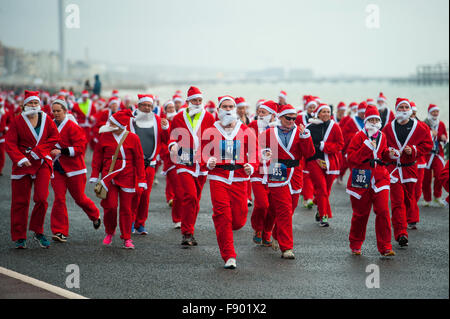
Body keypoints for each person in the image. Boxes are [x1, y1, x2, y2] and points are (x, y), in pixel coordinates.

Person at [203, 95, 258, 269]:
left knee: (239, 219)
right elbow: (201, 153)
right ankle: (229, 256)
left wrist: (251, 165)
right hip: (218, 177)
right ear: (219, 110)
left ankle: (228, 224)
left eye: (231, 106)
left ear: (235, 109)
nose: (228, 109)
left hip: (239, 178)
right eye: (224, 106)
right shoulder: (210, 130)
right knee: (223, 217)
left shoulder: (245, 130)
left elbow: (255, 153)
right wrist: (208, 160)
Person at [5, 90, 60, 249]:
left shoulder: (46, 119)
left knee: (42, 198)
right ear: (25, 105)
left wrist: (39, 152)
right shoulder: (17, 121)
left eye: (36, 102)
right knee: (20, 201)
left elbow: (54, 137)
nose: (34, 105)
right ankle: (19, 236)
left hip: (42, 162)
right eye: (31, 103)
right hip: (23, 164)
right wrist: (20, 158)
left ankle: (38, 231)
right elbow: (10, 143)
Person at [261, 104, 315, 259]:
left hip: (295, 174)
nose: (291, 121)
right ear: (280, 117)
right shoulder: (269, 133)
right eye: (288, 118)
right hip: (277, 171)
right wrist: (264, 158)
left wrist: (306, 137)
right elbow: (258, 151)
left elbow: (309, 153)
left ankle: (276, 233)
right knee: (284, 209)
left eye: (294, 118)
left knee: (289, 210)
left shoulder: (301, 132)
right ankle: (287, 248)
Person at [90, 109, 147, 249]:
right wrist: (94, 174)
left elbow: (139, 159)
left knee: (126, 209)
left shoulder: (133, 138)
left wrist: (141, 179)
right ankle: (109, 231)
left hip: (127, 176)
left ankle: (127, 237)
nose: (108, 124)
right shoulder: (104, 136)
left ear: (120, 125)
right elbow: (97, 156)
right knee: (110, 206)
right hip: (108, 176)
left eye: (112, 122)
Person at [168, 86, 215, 246]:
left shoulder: (209, 117)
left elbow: (213, 139)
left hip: (201, 163)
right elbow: (172, 136)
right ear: (188, 101)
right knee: (190, 195)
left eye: (200, 100)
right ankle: (187, 233)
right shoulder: (178, 117)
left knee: (196, 199)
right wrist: (172, 145)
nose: (197, 102)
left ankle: (190, 230)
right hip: (184, 161)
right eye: (194, 100)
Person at [346, 105, 396, 256]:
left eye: (376, 119)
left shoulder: (383, 136)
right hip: (361, 177)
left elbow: (382, 154)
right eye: (371, 119)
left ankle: (386, 247)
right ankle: (355, 243)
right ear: (366, 121)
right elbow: (352, 159)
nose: (374, 122)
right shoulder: (358, 137)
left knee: (383, 211)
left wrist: (390, 154)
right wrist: (366, 148)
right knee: (361, 214)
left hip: (380, 177)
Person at [382, 98, 433, 246]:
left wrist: (415, 150)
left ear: (410, 110)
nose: (403, 110)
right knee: (397, 202)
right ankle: (401, 233)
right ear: (396, 110)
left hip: (410, 169)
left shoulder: (420, 127)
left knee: (409, 200)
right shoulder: (388, 128)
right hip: (394, 170)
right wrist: (388, 153)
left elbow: (428, 144)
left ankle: (408, 221)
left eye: (406, 107)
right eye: (401, 107)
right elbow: (382, 148)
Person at [49, 99, 101, 242]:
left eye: (58, 111)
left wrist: (61, 151)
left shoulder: (73, 127)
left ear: (65, 111)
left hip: (75, 169)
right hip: (57, 168)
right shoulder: (49, 126)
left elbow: (80, 148)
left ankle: (95, 214)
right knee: (59, 199)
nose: (56, 113)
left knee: (79, 198)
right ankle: (60, 231)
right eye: (53, 111)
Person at [129, 94, 169, 235]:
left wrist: (165, 129)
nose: (147, 108)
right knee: (135, 193)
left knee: (145, 196)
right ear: (138, 106)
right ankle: (131, 221)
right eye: (144, 105)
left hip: (150, 164)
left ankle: (141, 223)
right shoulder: (131, 120)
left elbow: (166, 140)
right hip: (134, 164)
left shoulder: (157, 120)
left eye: (149, 106)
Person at [304, 103, 344, 227]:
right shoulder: (310, 127)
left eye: (328, 112)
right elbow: (307, 147)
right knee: (322, 188)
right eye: (323, 112)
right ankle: (323, 216)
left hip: (331, 163)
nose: (326, 114)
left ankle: (318, 205)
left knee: (326, 191)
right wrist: (316, 158)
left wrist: (324, 146)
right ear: (318, 114)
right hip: (314, 162)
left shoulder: (335, 127)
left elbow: (340, 144)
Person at [248, 100, 278, 246]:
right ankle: (258, 228)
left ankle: (267, 232)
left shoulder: (278, 128)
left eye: (263, 112)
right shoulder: (253, 126)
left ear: (272, 115)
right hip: (257, 170)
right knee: (261, 204)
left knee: (272, 206)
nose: (260, 115)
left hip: (273, 170)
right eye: (259, 112)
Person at [422, 104, 447, 207]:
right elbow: (420, 138)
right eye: (433, 112)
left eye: (436, 112)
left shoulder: (441, 124)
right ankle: (427, 199)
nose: (435, 114)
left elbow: (444, 137)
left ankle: (437, 196)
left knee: (440, 174)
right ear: (429, 113)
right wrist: (430, 133)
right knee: (426, 178)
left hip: (437, 153)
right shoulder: (424, 124)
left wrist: (443, 138)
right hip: (427, 154)